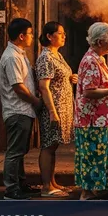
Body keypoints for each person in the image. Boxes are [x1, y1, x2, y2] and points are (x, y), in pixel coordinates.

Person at [75, 22, 108, 201]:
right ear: (99, 42)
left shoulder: (99, 59)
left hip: (103, 118)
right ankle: (87, 193)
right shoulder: (90, 61)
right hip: (92, 120)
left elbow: (100, 86)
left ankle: (99, 189)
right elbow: (88, 91)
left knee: (102, 156)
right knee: (93, 156)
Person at [0, 18, 42, 200]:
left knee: (21, 151)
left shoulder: (20, 53)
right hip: (18, 110)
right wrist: (36, 101)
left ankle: (20, 183)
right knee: (15, 151)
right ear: (21, 36)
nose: (32, 37)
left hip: (24, 110)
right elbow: (18, 86)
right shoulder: (11, 57)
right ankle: (11, 188)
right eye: (30, 33)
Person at [36, 21, 77, 198]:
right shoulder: (45, 57)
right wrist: (52, 112)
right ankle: (46, 186)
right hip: (53, 108)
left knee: (53, 146)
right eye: (60, 33)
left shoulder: (57, 55)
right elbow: (44, 87)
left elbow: (60, 77)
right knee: (48, 145)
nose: (63, 36)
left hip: (63, 106)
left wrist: (72, 78)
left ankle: (52, 182)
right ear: (49, 36)